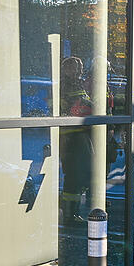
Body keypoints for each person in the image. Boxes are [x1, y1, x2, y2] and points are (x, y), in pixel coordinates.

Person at [59, 56, 94, 223]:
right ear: (66, 69)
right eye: (75, 68)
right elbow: (70, 107)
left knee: (81, 174)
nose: (79, 71)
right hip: (70, 136)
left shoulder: (77, 84)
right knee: (73, 175)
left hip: (80, 134)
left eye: (80, 68)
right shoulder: (64, 85)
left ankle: (72, 210)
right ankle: (68, 213)